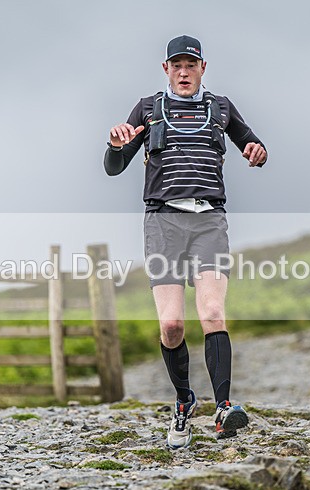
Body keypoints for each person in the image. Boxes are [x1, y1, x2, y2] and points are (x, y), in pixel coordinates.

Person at [104, 35, 267, 448]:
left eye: (190, 65)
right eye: (176, 65)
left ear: (202, 68)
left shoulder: (221, 107)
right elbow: (114, 166)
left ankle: (224, 408)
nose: (183, 72)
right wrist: (115, 145)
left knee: (212, 311)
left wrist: (257, 151)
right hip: (163, 222)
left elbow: (253, 143)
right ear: (166, 70)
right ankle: (183, 402)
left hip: (209, 220)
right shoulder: (148, 109)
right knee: (172, 325)